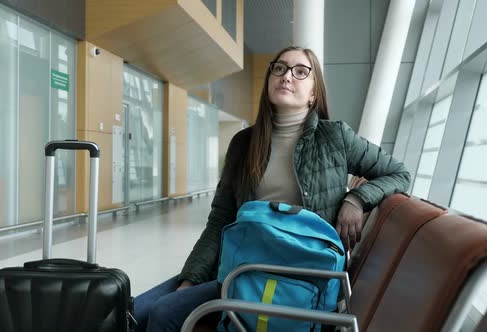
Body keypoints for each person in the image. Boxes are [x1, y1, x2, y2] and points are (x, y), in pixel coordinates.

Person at [133, 46, 410, 332]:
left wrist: (357, 198)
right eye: (279, 68)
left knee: (165, 313)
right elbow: (220, 219)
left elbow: (399, 173)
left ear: (314, 92)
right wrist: (190, 280)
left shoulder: (334, 137)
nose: (286, 76)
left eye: (300, 71)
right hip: (241, 266)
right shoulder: (244, 143)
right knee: (134, 312)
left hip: (299, 278)